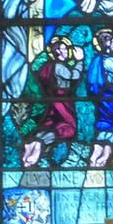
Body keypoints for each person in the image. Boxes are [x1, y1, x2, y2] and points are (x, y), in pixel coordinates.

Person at [21, 35, 82, 168]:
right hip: (62, 101)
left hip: (55, 100)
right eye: (64, 49)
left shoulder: (49, 66)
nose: (66, 52)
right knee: (67, 128)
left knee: (52, 125)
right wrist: (80, 61)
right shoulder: (58, 66)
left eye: (66, 49)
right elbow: (73, 76)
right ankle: (38, 145)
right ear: (57, 52)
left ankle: (33, 143)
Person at [84, 28, 113, 168]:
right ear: (109, 43)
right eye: (110, 41)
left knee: (105, 123)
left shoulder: (96, 60)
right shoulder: (108, 60)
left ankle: (94, 155)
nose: (112, 43)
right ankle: (104, 157)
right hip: (112, 97)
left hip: (100, 99)